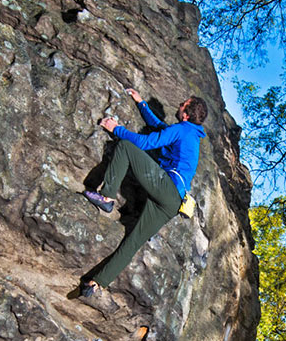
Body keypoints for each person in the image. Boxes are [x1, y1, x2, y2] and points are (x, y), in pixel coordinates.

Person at [79, 88, 208, 298]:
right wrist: (141, 103)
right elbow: (159, 127)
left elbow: (145, 142)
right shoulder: (189, 134)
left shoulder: (183, 130)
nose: (179, 104)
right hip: (173, 203)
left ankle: (107, 197)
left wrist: (116, 128)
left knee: (126, 147)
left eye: (183, 103)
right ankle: (96, 283)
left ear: (186, 114)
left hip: (167, 186)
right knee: (133, 241)